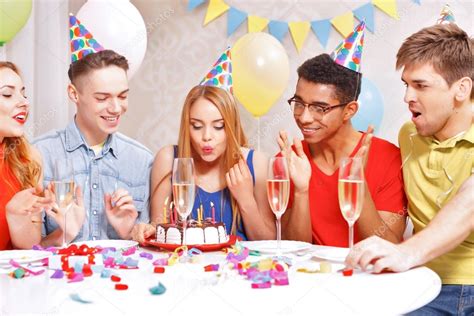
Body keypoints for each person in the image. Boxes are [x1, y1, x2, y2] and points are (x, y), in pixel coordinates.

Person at [345, 22, 473, 315]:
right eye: (406, 84)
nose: (407, 97)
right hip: (422, 282)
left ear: (462, 89)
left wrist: (406, 252)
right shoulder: (409, 135)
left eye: (421, 85)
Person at [279, 21, 407, 247]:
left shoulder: (389, 158)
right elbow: (292, 251)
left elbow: (389, 248)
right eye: (299, 103)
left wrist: (357, 184)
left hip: (368, 280)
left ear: (350, 110)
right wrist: (300, 191)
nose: (304, 117)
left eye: (320, 108)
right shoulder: (290, 160)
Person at [33, 16, 153, 246]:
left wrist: (130, 232)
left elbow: (149, 246)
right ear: (74, 94)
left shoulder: (142, 160)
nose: (116, 108)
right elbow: (25, 250)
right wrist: (64, 234)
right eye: (102, 98)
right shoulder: (40, 154)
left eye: (123, 96)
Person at [0, 61, 53, 249]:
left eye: (23, 93)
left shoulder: (29, 159)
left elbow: (29, 248)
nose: (24, 102)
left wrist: (17, 218)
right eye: (7, 94)